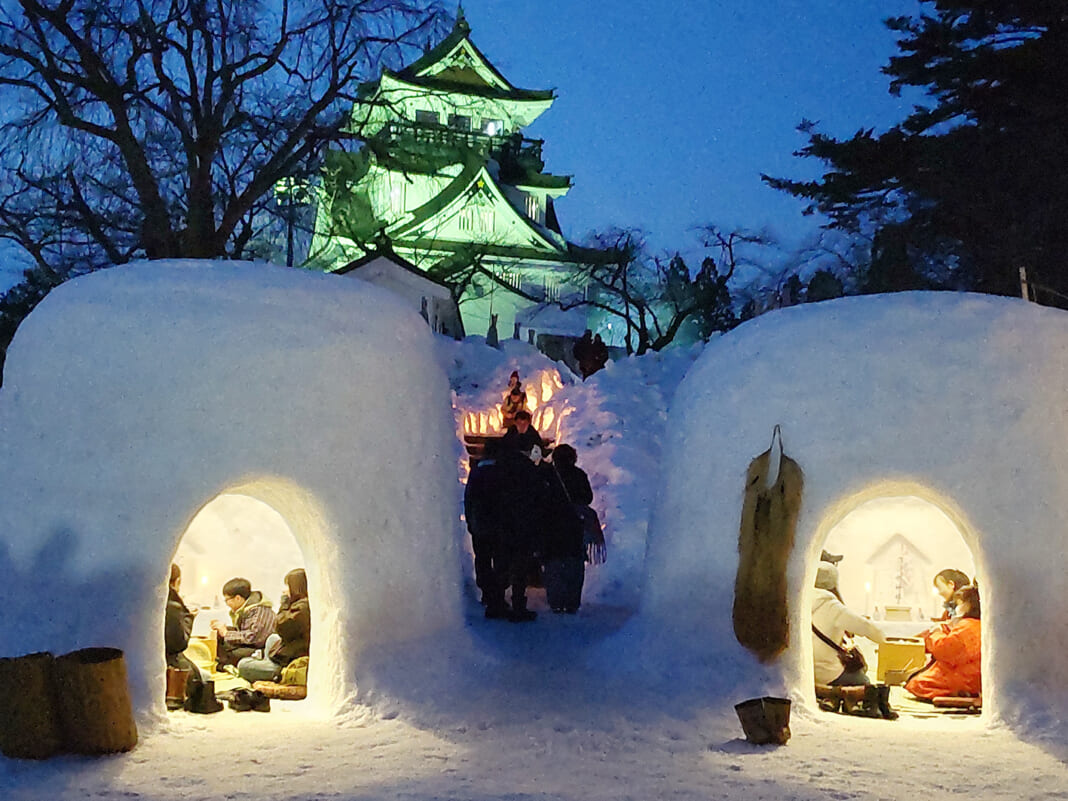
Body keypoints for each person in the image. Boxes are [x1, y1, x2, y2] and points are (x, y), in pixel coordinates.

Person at [493, 444, 548, 622]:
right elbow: (538, 498)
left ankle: (496, 603)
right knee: (519, 567)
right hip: (523, 526)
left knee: (502, 565)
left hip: (503, 524)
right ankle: (518, 606)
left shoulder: (500, 471)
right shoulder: (529, 472)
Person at [811, 562, 887, 686]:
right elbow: (866, 627)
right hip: (825, 672)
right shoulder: (831, 605)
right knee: (865, 682)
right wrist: (884, 639)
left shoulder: (798, 602)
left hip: (803, 671)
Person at [906, 585, 981, 701]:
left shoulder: (967, 625)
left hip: (964, 677)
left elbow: (943, 650)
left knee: (917, 684)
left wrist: (937, 633)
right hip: (973, 674)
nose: (958, 607)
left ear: (968, 605)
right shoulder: (979, 625)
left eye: (960, 603)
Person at [237, 569, 311, 683]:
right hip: (292, 649)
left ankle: (275, 672)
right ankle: (267, 665)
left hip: (292, 660)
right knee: (272, 638)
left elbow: (281, 627)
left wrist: (285, 603)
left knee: (243, 665)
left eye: (288, 586)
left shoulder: (302, 607)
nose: (285, 591)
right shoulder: (302, 603)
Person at [543, 444, 592, 613]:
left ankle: (556, 600)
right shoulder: (579, 475)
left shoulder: (548, 475)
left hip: (551, 525)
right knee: (574, 564)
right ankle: (572, 601)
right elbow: (588, 497)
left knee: (554, 564)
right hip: (574, 526)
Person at [463, 440, 509, 618]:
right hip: (499, 524)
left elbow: (469, 499)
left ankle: (487, 593)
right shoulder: (503, 472)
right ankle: (498, 595)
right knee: (500, 559)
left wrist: (470, 521)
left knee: (482, 559)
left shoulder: (476, 473)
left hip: (480, 523)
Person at [211, 577, 276, 670]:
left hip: (261, 650)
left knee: (229, 652)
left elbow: (253, 637)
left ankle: (224, 666)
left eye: (227, 600)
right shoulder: (248, 609)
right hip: (253, 644)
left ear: (238, 598)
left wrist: (226, 633)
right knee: (221, 638)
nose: (226, 603)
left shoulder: (258, 610)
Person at [165, 563, 204, 702]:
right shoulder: (172, 606)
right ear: (177, 582)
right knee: (203, 677)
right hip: (167, 668)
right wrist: (188, 618)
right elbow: (178, 644)